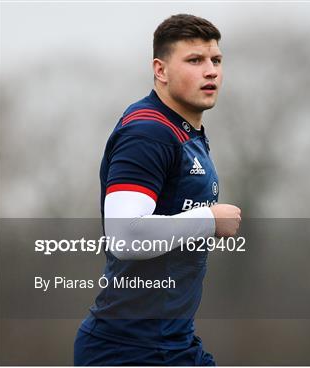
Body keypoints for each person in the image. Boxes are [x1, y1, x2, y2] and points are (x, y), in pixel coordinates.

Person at [74, 14, 241, 366]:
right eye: (195, 60)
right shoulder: (148, 132)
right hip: (127, 350)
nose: (210, 70)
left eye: (216, 60)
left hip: (172, 343)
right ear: (160, 70)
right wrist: (208, 220)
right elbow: (125, 235)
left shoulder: (186, 133)